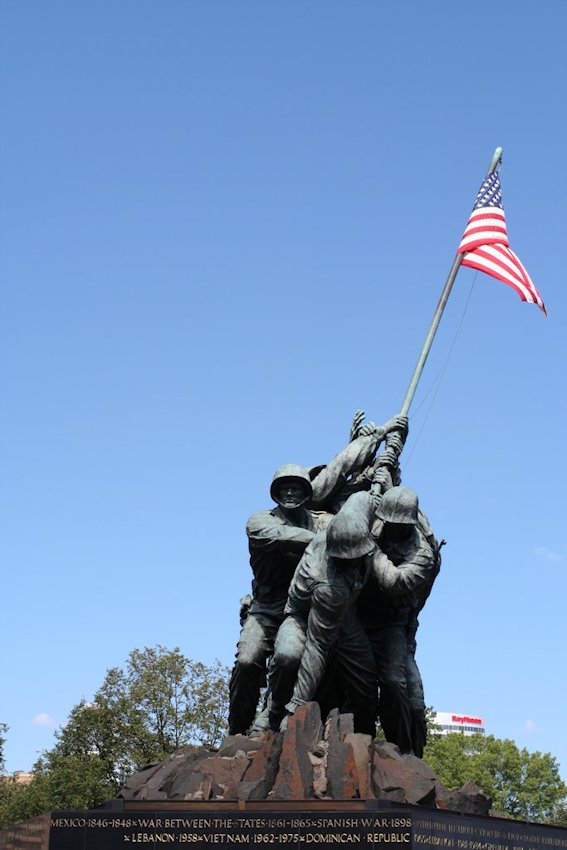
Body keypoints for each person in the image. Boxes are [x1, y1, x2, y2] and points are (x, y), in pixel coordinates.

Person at [227, 413, 407, 736]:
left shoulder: (321, 520)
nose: (291, 493)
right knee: (247, 660)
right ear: (275, 493)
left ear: (306, 493)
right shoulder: (260, 522)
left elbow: (345, 483)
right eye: (285, 488)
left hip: (312, 608)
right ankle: (239, 731)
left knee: (293, 657)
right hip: (269, 609)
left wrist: (380, 453)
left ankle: (281, 716)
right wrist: (332, 538)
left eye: (297, 488)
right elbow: (292, 537)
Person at [267, 491, 378, 736]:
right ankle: (274, 715)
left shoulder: (353, 516)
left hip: (344, 615)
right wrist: (297, 706)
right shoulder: (329, 585)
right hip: (303, 616)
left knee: (366, 677)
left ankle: (362, 737)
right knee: (287, 655)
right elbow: (317, 648)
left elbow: (366, 497)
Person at [357, 486, 441, 756]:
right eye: (387, 522)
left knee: (395, 682)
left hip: (390, 624)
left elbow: (394, 583)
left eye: (398, 525)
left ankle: (401, 751)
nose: (390, 528)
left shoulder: (422, 555)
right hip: (355, 616)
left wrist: (370, 548)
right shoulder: (377, 524)